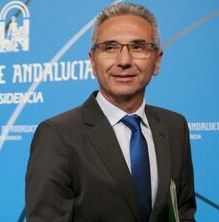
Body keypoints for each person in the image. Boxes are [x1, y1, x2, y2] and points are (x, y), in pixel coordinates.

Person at [25, 2, 196, 222]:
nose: (124, 60)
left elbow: (183, 213)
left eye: (138, 47)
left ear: (157, 61)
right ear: (93, 62)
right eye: (110, 47)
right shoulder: (57, 135)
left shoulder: (175, 127)